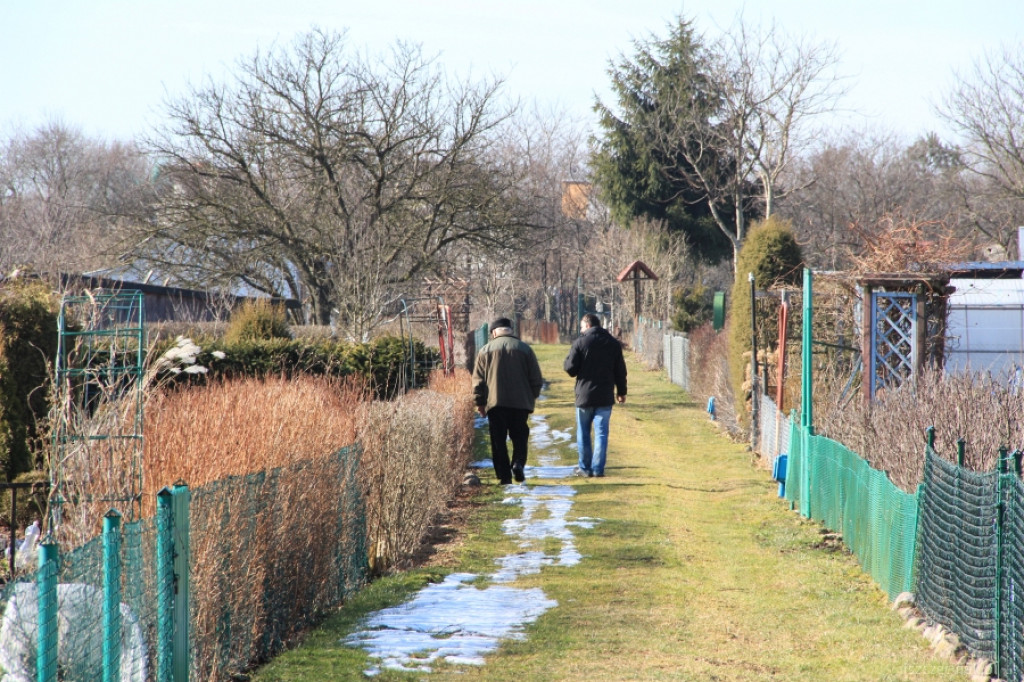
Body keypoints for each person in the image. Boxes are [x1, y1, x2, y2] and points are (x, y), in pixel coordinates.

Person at [472, 317, 544, 484]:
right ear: (510, 330)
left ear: (494, 332)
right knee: (520, 436)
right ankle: (518, 463)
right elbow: (536, 379)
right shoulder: (525, 349)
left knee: (498, 440)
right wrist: (530, 397)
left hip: (495, 404)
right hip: (520, 404)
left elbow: (478, 381)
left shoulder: (485, 350)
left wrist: (480, 403)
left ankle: (504, 476)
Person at [564, 313, 627, 477]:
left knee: (583, 433)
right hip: (605, 395)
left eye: (581, 327)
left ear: (587, 325)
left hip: (584, 396)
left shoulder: (580, 342)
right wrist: (621, 392)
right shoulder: (613, 344)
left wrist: (570, 358)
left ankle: (584, 468)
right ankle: (598, 469)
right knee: (601, 433)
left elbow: (570, 369)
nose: (581, 330)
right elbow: (620, 371)